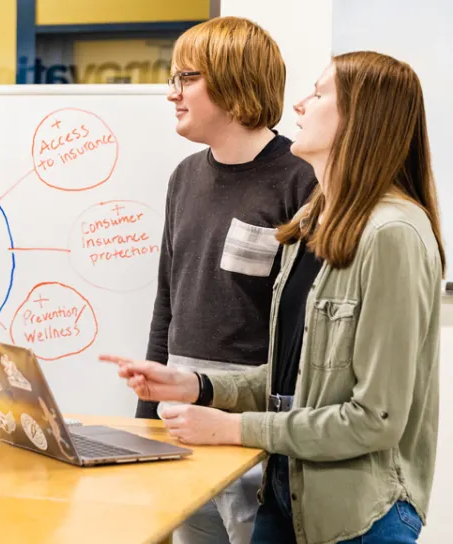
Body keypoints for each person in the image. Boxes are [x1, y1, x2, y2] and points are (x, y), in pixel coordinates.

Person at [103, 50, 443, 544]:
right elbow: (293, 380)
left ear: (362, 119)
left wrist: (233, 429)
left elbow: (374, 420)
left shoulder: (393, 233)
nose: (300, 105)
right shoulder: (311, 223)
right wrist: (195, 384)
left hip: (360, 516)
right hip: (287, 494)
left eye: (320, 93)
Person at [134, 16, 316, 544]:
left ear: (235, 83)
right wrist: (146, 427)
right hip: (179, 415)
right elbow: (167, 304)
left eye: (186, 78)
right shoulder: (184, 176)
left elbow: (304, 332)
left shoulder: (301, 179)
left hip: (253, 429)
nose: (172, 94)